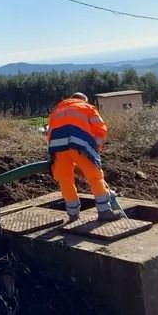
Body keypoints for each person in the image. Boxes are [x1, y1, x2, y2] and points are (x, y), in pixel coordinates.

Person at [47, 92, 120, 222]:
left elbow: (50, 134)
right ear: (84, 100)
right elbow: (101, 129)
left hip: (58, 148)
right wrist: (95, 151)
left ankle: (73, 215)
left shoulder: (56, 111)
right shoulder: (87, 108)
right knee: (95, 177)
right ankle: (104, 211)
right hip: (80, 145)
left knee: (65, 180)